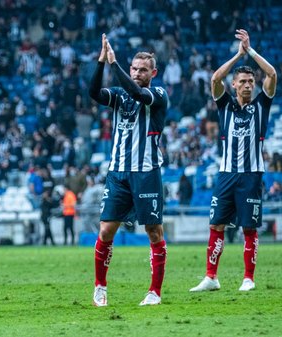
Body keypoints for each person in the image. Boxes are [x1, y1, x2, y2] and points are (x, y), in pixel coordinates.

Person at [190, 29, 277, 293]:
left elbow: (272, 74)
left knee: (248, 228)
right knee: (216, 224)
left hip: (251, 175)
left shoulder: (262, 105)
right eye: (243, 81)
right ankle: (211, 277)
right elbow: (216, 78)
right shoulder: (225, 104)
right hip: (226, 174)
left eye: (251, 80)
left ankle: (248, 278)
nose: (249, 85)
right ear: (235, 85)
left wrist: (250, 51)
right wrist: (237, 55)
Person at [89, 34, 169, 306]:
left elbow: (137, 93)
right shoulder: (119, 95)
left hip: (146, 173)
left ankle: (154, 292)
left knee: (154, 232)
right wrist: (101, 62)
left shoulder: (157, 95)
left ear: (153, 73)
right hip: (118, 173)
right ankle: (100, 286)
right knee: (105, 231)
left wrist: (114, 64)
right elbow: (93, 93)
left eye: (142, 70)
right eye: (133, 68)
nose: (136, 73)